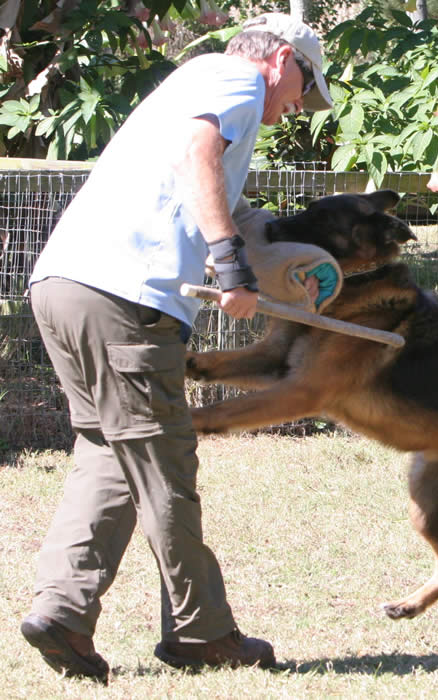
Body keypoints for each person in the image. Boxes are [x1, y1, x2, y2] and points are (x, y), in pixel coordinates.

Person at [21, 12, 333, 681]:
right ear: (281, 59)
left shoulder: (193, 85)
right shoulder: (236, 79)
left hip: (64, 283)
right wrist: (232, 267)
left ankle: (63, 615)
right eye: (305, 85)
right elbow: (200, 154)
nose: (299, 105)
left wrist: (286, 258)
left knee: (110, 449)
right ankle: (203, 634)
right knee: (165, 466)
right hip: (126, 297)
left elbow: (220, 201)